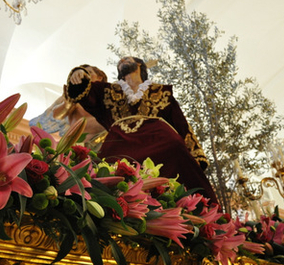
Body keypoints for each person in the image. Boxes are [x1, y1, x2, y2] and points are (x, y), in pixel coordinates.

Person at [66, 56, 219, 205]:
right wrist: (78, 73)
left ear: (140, 65)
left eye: (128, 59)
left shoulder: (162, 92)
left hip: (159, 141)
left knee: (175, 150)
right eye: (121, 60)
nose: (123, 60)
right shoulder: (107, 91)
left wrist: (196, 156)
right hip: (120, 143)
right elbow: (83, 94)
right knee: (102, 174)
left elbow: (181, 124)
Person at [30, 64, 107, 149]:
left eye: (89, 72)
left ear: (99, 78)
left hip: (101, 143)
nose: (84, 75)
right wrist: (68, 104)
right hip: (76, 144)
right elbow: (56, 116)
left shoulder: (106, 99)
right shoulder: (77, 96)